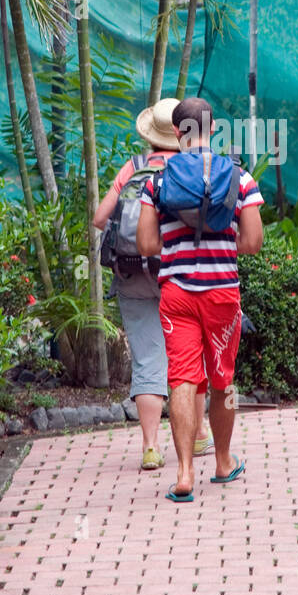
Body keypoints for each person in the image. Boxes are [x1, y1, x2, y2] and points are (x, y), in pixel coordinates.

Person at [136, 96, 264, 503]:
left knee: (182, 380)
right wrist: (221, 244)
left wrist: (177, 245)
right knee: (222, 379)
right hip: (222, 295)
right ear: (213, 129)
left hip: (176, 295)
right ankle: (223, 462)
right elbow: (254, 241)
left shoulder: (157, 181)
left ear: (177, 133)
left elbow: (145, 242)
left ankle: (185, 473)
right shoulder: (239, 178)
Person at [94, 98, 211, 471]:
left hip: (131, 274)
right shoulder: (190, 167)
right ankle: (197, 434)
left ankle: (150, 446)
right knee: (187, 356)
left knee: (148, 358)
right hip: (177, 273)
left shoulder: (134, 167)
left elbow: (100, 219)